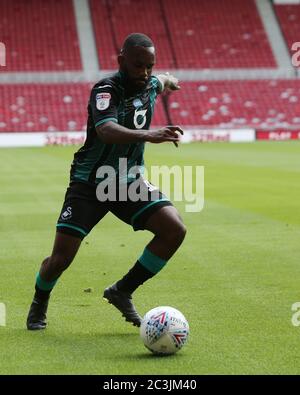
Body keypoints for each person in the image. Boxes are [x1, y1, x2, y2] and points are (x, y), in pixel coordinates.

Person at [26, 33, 186, 330]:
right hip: (91, 183)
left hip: (128, 182)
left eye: (150, 66)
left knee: (173, 230)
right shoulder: (106, 89)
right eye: (139, 65)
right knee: (60, 259)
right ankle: (39, 301)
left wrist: (168, 80)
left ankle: (122, 291)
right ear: (121, 61)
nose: (145, 72)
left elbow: (159, 81)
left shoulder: (150, 82)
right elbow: (106, 130)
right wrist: (150, 135)